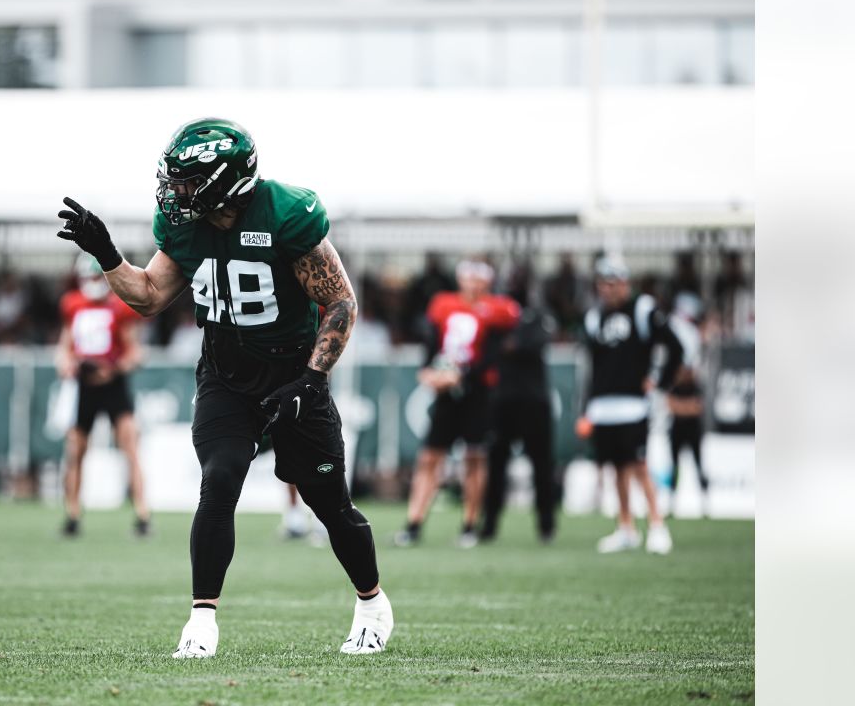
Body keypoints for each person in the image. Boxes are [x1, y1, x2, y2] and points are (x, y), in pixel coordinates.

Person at [56, 117, 391, 658]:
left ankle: (372, 602)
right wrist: (108, 255)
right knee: (219, 479)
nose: (176, 191)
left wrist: (312, 378)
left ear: (225, 180)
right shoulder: (186, 227)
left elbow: (341, 303)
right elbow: (146, 296)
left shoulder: (286, 212)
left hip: (294, 374)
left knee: (331, 505)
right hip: (225, 375)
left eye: (188, 181)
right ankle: (201, 623)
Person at [395, 259, 519, 549]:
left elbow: (496, 351)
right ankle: (414, 522)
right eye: (468, 277)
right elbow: (433, 341)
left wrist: (461, 374)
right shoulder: (444, 304)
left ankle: (469, 524)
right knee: (429, 457)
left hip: (477, 392)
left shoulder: (498, 309)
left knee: (474, 457)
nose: (473, 284)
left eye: (478, 278)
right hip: (446, 392)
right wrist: (429, 369)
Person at [575, 257, 684, 555]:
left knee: (638, 465)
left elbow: (675, 346)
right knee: (615, 468)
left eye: (613, 283)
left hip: (633, 404)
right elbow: (591, 368)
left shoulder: (642, 310)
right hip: (603, 405)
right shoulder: (594, 318)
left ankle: (657, 524)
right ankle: (626, 526)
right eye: (602, 284)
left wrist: (659, 381)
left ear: (625, 283)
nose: (607, 290)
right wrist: (586, 409)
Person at [55, 255, 150, 538]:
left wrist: (112, 370)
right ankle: (72, 513)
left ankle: (142, 513)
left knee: (130, 448)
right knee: (75, 450)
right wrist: (67, 364)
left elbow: (136, 353)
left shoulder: (119, 307)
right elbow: (64, 347)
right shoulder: (73, 305)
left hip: (114, 386)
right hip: (84, 386)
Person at [479, 286, 557, 544]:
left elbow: (536, 343)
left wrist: (514, 344)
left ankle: (546, 524)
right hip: (504, 401)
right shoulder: (494, 323)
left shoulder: (536, 317)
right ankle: (489, 524)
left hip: (535, 402)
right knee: (496, 464)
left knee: (542, 464)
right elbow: (490, 354)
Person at [668, 366, 710, 517]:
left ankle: (705, 505)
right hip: (677, 432)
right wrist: (687, 407)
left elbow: (697, 408)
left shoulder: (696, 387)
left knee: (699, 466)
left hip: (693, 432)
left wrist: (681, 407)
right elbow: (672, 406)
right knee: (674, 468)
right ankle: (671, 504)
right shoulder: (674, 387)